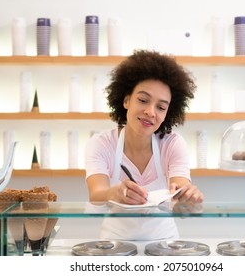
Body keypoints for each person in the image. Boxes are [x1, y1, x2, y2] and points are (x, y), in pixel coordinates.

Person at [84, 49, 204, 240]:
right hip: (115, 245)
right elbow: (96, 194)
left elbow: (179, 186)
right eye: (143, 100)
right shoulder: (101, 144)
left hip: (165, 244)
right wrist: (113, 193)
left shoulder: (172, 144)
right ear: (126, 100)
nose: (150, 112)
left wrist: (187, 195)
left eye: (161, 107)